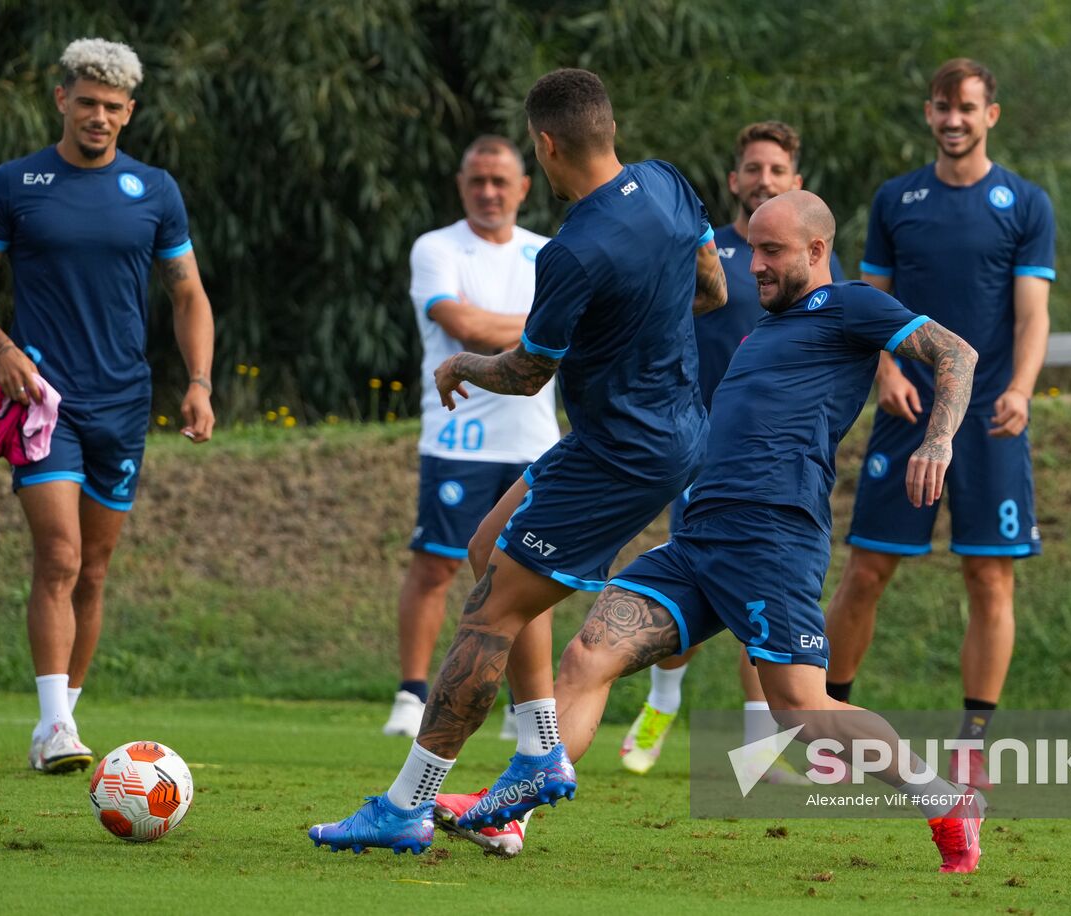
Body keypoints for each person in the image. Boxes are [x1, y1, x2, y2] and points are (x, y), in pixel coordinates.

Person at [460, 190, 987, 873]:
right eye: (755, 250)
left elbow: (956, 353)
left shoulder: (851, 305)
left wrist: (937, 441)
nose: (756, 266)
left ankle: (947, 800)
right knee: (588, 656)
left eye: (773, 252)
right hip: (698, 537)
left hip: (772, 537)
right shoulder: (763, 330)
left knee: (801, 710)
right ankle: (511, 815)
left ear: (817, 251)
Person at [309, 67, 725, 856]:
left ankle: (406, 804)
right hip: (655, 430)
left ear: (545, 144)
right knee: (482, 551)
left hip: (620, 451)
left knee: (489, 615)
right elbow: (710, 285)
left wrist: (463, 364)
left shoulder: (571, 251)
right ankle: (541, 751)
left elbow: (527, 372)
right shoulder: (669, 185)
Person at [0, 39, 215, 773]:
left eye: (113, 107)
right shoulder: (16, 183)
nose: (99, 116)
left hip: (124, 405)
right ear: (61, 99)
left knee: (93, 568)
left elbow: (188, 293)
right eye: (87, 101)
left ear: (129, 113)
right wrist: (3, 351)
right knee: (58, 555)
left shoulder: (154, 190)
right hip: (45, 402)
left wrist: (199, 382)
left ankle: (65, 717)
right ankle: (56, 727)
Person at [822, 58, 1054, 789]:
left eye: (968, 108)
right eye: (942, 107)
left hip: (989, 421)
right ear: (929, 114)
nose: (954, 119)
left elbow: (1033, 313)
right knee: (865, 571)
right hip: (909, 413)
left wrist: (1020, 388)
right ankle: (833, 728)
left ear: (992, 115)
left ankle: (974, 742)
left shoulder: (1025, 203)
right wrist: (887, 371)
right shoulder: (897, 200)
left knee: (989, 578)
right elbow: (870, 304)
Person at [620, 120, 846, 777]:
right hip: (703, 454)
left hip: (776, 470)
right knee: (687, 602)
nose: (764, 180)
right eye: (753, 169)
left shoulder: (815, 275)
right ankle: (664, 700)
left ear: (794, 182)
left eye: (777, 171)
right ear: (734, 180)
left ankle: (759, 750)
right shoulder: (710, 256)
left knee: (761, 603)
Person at [382, 135, 560, 745]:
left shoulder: (548, 252)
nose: (489, 192)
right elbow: (461, 325)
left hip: (533, 438)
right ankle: (411, 693)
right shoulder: (436, 247)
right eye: (478, 181)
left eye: (500, 181)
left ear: (524, 188)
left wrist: (538, 328)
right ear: (463, 186)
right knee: (435, 566)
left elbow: (558, 328)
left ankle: (524, 703)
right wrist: (545, 326)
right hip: (459, 435)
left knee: (532, 570)